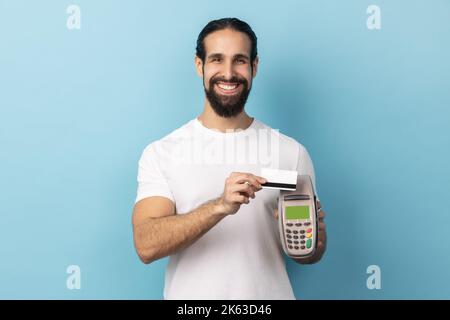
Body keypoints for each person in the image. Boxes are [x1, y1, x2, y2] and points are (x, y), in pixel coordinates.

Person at [132, 17, 327, 300]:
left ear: (254, 67)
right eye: (216, 60)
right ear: (199, 65)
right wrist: (219, 206)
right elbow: (146, 245)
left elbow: (310, 255)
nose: (228, 72)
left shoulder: (291, 152)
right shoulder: (162, 153)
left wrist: (316, 241)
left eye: (239, 60)